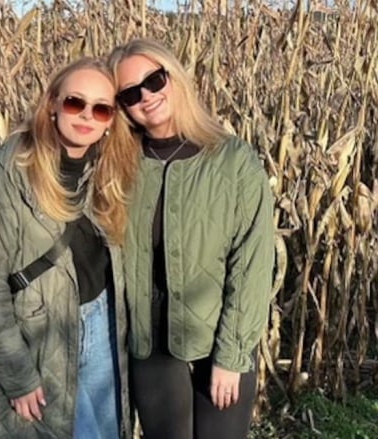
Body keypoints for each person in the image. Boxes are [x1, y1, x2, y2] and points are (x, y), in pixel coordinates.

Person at [107, 39, 276, 439]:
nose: (146, 97)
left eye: (154, 80)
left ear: (174, 76)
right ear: (122, 107)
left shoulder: (233, 160)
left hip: (218, 343)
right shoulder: (118, 165)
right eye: (131, 94)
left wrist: (232, 357)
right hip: (151, 346)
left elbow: (252, 265)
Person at [0, 57, 137, 438]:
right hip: (38, 334)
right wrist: (17, 375)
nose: (87, 115)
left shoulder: (111, 171)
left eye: (102, 109)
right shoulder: (10, 172)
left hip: (104, 328)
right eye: (76, 102)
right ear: (53, 103)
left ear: (111, 121)